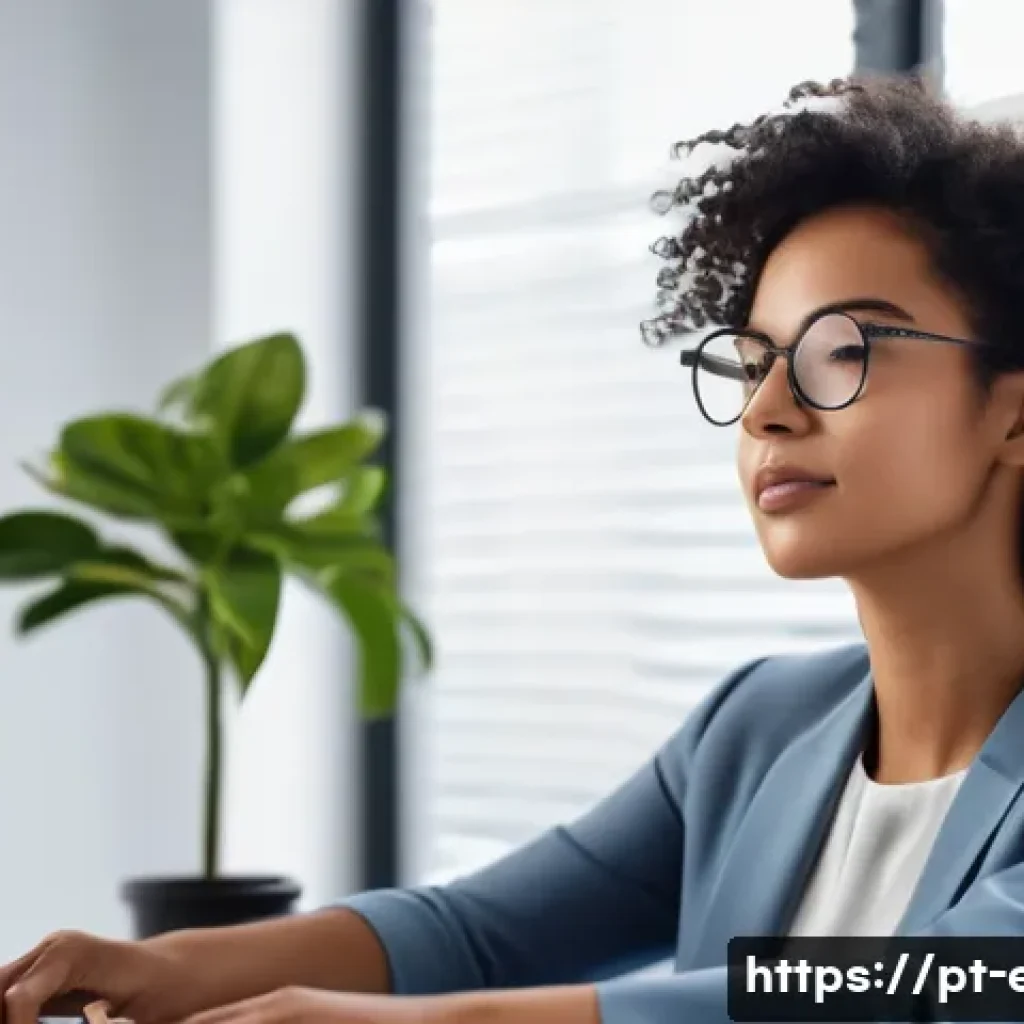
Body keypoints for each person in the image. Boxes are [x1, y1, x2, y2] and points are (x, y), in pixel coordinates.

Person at [8, 72, 1024, 1024]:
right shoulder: (756, 730)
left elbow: (917, 993)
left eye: (842, 350)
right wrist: (160, 966)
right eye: (752, 361)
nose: (764, 410)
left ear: (1013, 418)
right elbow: (480, 934)